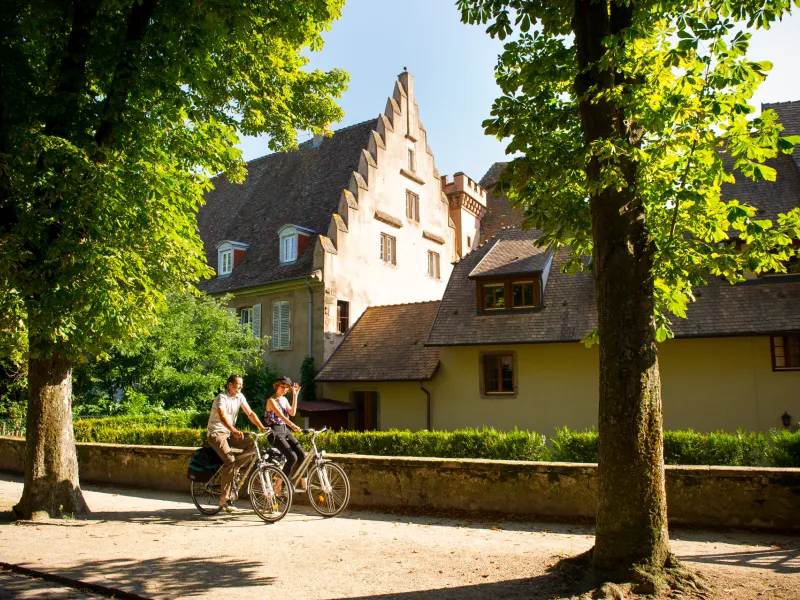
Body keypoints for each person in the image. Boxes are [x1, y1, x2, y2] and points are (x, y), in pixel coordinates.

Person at [207, 373, 268, 513]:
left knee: (252, 443)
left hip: (229, 433)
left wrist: (262, 427)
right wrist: (234, 430)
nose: (240, 386)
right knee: (229, 460)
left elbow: (250, 413)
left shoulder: (239, 397)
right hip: (217, 433)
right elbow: (222, 416)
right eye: (238, 384)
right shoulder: (221, 398)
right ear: (230, 385)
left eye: (241, 384)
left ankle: (235, 468)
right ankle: (224, 498)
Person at [265, 376, 306, 490]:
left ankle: (305, 485)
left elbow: (292, 413)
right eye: (283, 387)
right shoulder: (271, 400)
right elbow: (281, 416)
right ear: (277, 386)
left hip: (285, 430)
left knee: (301, 453)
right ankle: (278, 485)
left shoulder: (284, 399)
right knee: (292, 457)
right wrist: (293, 426)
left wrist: (295, 395)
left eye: (287, 388)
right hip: (275, 432)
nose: (285, 390)